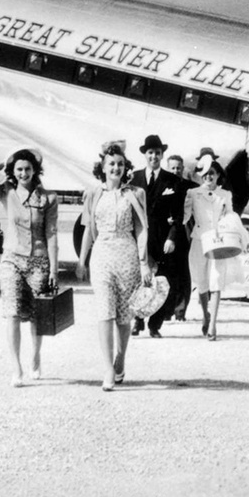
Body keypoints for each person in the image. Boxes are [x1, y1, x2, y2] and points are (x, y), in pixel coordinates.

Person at [0, 149, 60, 387]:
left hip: (38, 262)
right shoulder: (6, 192)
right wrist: (1, 164)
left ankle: (35, 356)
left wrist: (54, 269)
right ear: (13, 172)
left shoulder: (49, 198)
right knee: (12, 313)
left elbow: (51, 234)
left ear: (35, 171)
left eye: (27, 169)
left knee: (35, 316)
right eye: (19, 169)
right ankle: (16, 368)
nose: (23, 173)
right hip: (11, 260)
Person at [76, 143, 151, 391]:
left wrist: (143, 263)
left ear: (125, 167)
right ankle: (108, 368)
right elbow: (88, 228)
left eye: (120, 163)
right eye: (111, 164)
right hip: (102, 256)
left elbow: (141, 229)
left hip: (127, 256)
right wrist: (81, 260)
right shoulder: (94, 194)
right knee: (104, 311)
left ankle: (121, 358)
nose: (116, 168)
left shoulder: (136, 193)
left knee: (123, 316)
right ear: (103, 168)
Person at [128, 135, 192, 338]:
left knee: (163, 281)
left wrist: (172, 237)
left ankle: (155, 325)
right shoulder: (133, 179)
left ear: (162, 155)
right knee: (140, 280)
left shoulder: (172, 180)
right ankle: (138, 321)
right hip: (139, 239)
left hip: (163, 240)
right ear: (145, 155)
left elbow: (179, 214)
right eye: (150, 153)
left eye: (157, 153)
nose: (153, 156)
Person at [185, 154, 239, 340]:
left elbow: (231, 216)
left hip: (218, 242)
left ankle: (213, 326)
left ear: (218, 176)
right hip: (199, 241)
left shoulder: (225, 195)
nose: (209, 177)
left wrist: (226, 221)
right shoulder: (193, 193)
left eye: (212, 174)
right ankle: (205, 315)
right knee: (201, 283)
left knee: (216, 282)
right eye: (206, 173)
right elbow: (185, 217)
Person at [162, 153, 192, 321]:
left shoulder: (190, 187)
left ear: (183, 169)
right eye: (172, 168)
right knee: (167, 274)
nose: (175, 171)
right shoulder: (162, 185)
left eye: (178, 168)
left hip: (184, 235)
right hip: (165, 235)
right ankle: (166, 311)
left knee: (183, 274)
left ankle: (180, 311)